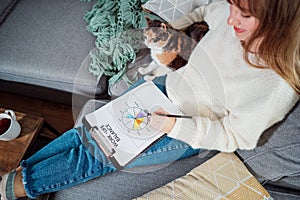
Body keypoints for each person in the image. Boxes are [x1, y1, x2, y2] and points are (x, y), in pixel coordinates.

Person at [1, 0, 299, 199]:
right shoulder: (228, 13)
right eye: (234, 4)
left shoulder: (278, 82)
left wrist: (174, 128)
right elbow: (207, 11)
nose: (232, 17)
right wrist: (169, 35)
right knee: (87, 131)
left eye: (244, 14)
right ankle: (20, 176)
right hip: (161, 88)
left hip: (185, 127)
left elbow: (235, 136)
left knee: (96, 155)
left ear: (279, 20)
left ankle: (15, 187)